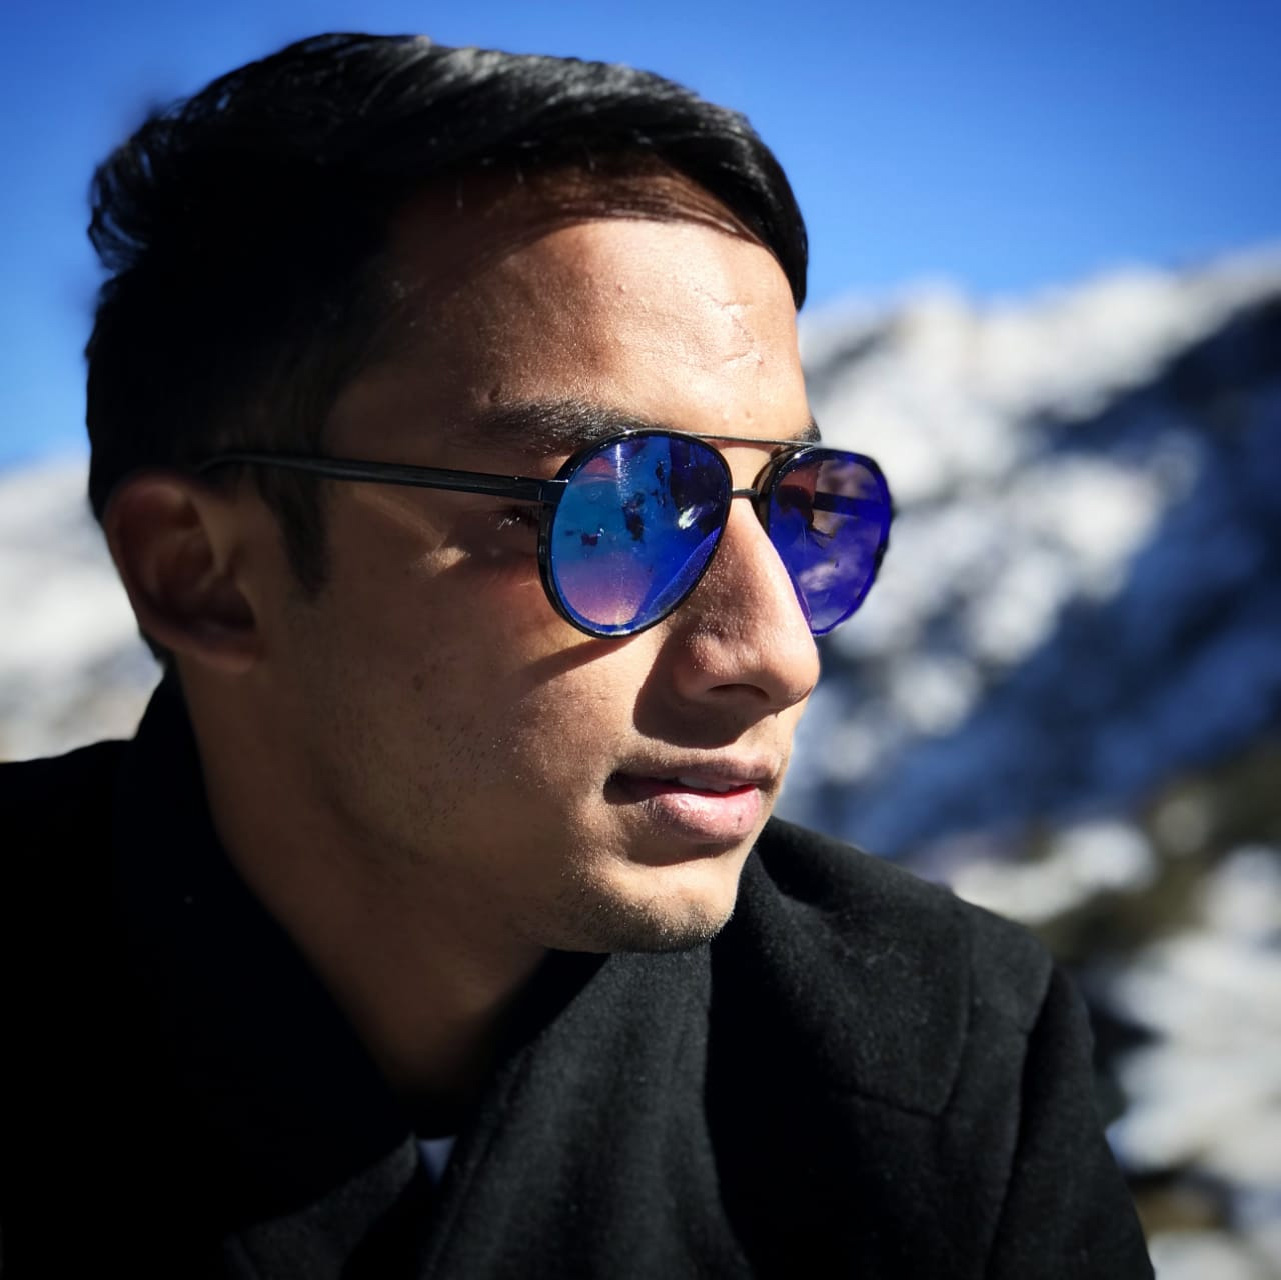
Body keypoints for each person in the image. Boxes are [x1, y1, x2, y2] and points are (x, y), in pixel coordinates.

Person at [0, 32, 1153, 1278]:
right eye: (611, 510)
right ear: (203, 574)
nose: (777, 652)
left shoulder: (942, 1060)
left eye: (798, 505)